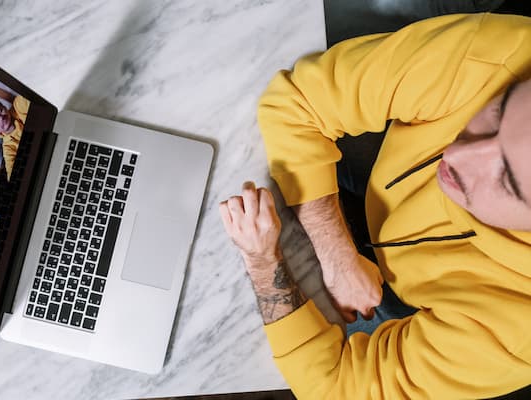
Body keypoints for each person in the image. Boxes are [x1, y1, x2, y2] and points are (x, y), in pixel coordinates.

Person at [220, 13, 531, 399]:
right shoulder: (504, 52)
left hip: (406, 303)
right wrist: (336, 253)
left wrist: (265, 266)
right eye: (498, 112)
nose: (456, 155)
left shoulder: (520, 337)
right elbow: (299, 101)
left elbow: (336, 390)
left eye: (508, 182)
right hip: (376, 171)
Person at [0, 95, 30, 181]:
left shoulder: (18, 104)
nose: (1, 118)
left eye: (0, 110)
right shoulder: (7, 147)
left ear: (5, 107)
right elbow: (12, 176)